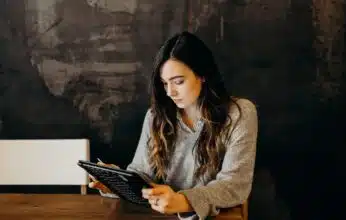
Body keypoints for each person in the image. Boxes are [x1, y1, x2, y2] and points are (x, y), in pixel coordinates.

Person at [89, 31, 258, 220]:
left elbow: (235, 185)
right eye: (164, 83)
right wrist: (116, 182)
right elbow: (142, 175)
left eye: (178, 82)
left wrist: (183, 201)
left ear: (202, 75)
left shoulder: (239, 113)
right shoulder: (156, 116)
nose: (170, 92)